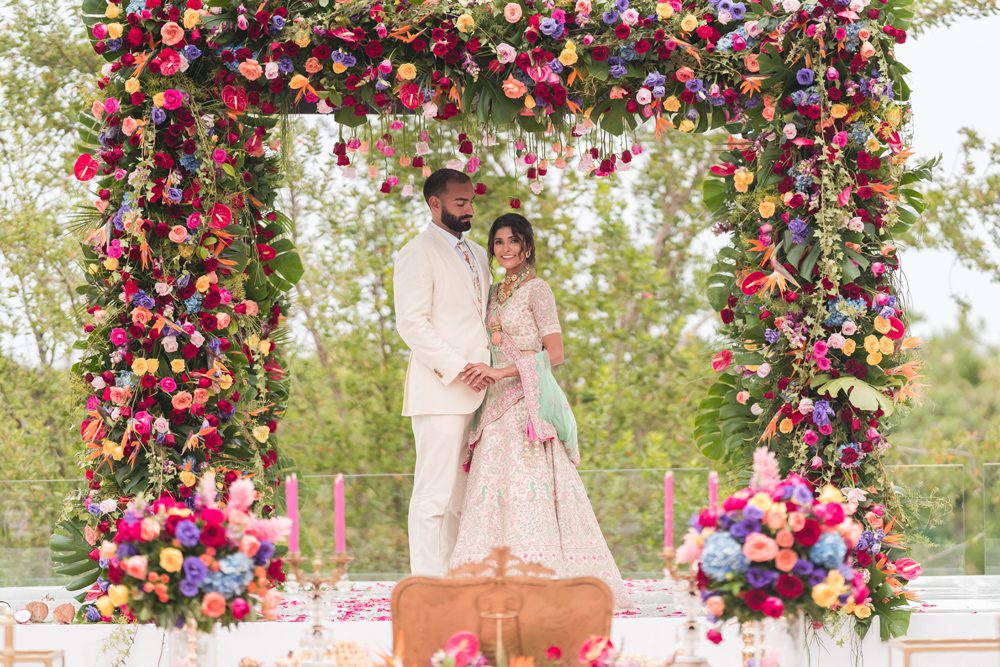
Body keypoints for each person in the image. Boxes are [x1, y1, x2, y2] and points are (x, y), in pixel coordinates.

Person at [448, 213, 632, 609]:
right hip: (494, 406)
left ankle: (541, 583)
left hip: (526, 405)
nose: (506, 249)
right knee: (493, 492)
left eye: (514, 241)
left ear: (527, 246)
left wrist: (500, 371)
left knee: (530, 493)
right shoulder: (494, 292)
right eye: (498, 242)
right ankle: (491, 586)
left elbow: (556, 353)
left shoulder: (538, 289)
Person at [393, 168, 492, 576]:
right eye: (460, 202)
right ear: (435, 204)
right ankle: (428, 586)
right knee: (433, 493)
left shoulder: (479, 255)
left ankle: (455, 579)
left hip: (482, 392)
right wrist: (458, 368)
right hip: (439, 389)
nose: (469, 209)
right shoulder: (416, 252)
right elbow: (411, 323)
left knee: (459, 497)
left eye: (470, 201)